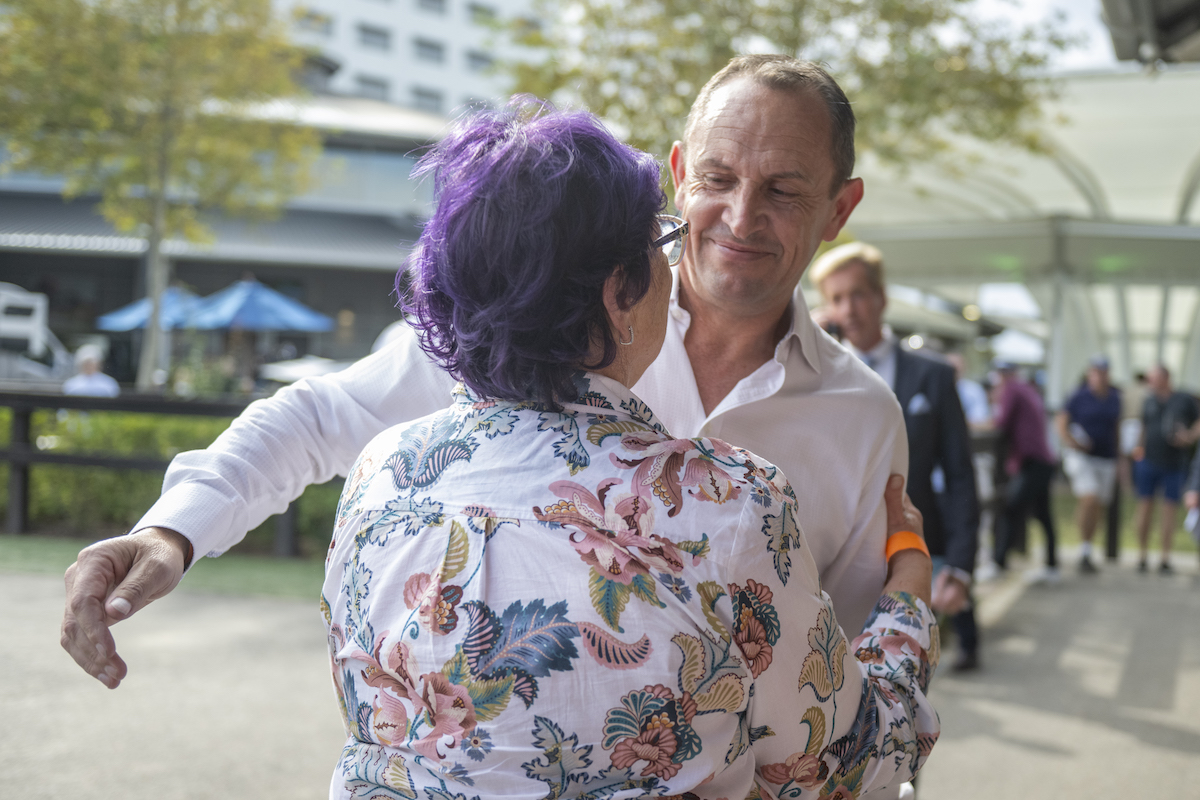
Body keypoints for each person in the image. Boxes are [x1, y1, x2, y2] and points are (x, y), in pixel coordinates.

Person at [63, 56, 901, 693]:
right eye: (718, 179)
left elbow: (838, 661)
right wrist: (169, 534)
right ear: (680, 175)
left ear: (839, 208)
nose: (740, 216)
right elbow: (320, 418)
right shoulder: (541, 322)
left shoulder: (862, 419)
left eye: (784, 190)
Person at [313, 98, 939, 800]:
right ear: (619, 291)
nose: (675, 265)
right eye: (660, 242)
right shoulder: (728, 499)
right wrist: (909, 592)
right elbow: (847, 765)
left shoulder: (382, 471)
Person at [810, 242, 981, 671]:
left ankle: (970, 644)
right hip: (837, 559)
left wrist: (960, 565)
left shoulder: (934, 375)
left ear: (881, 297)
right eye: (836, 298)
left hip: (917, 549)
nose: (848, 308)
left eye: (858, 294)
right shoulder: (815, 375)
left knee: (907, 684)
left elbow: (959, 471)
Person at [991, 361, 1059, 581]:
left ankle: (999, 561)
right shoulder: (1028, 389)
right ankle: (1051, 565)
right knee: (1042, 513)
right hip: (1042, 460)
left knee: (1010, 509)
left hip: (1032, 462)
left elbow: (1001, 423)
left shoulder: (1012, 390)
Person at [1055, 355, 1121, 574]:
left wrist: (1122, 460)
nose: (1099, 376)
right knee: (1089, 497)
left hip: (1106, 457)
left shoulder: (1114, 398)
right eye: (1096, 371)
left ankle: (1088, 548)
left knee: (1098, 505)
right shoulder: (1078, 396)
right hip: (1082, 457)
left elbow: (1117, 429)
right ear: (1089, 373)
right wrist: (1073, 443)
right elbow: (1062, 423)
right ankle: (1083, 549)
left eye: (1103, 372)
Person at [1131, 364, 1199, 574]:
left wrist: (1188, 437)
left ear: (1166, 378)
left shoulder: (1184, 399)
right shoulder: (1148, 401)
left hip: (1174, 463)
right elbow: (1142, 427)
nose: (1150, 383)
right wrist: (1138, 451)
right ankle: (1142, 556)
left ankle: (1165, 557)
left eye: (1153, 378)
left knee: (1169, 511)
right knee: (1144, 507)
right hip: (1149, 461)